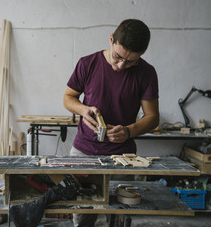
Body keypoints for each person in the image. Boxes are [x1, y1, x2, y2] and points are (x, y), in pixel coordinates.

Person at [63, 19, 159, 227]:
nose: (122, 65)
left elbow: (152, 117)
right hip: (84, 152)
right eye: (118, 57)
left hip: (123, 156)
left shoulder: (146, 72)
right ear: (111, 39)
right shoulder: (87, 63)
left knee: (119, 217)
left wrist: (128, 131)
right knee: (82, 216)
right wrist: (83, 109)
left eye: (131, 61)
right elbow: (68, 98)